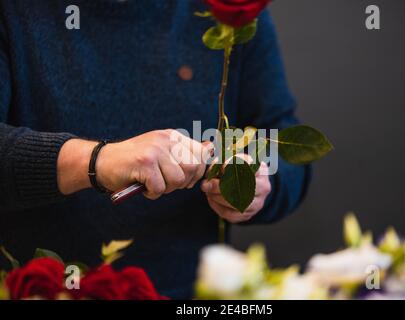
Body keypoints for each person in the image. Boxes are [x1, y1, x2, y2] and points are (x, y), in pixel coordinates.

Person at [0, 0, 309, 298]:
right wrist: (98, 161)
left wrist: (261, 180)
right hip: (45, 290)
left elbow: (283, 142)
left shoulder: (232, 8)